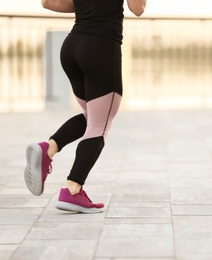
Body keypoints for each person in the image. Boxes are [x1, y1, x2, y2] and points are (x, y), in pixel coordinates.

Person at [24, 0, 147, 213]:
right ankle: (72, 189)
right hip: (100, 48)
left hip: (72, 46)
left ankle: (49, 148)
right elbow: (138, 9)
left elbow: (48, 2)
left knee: (92, 116)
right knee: (100, 124)